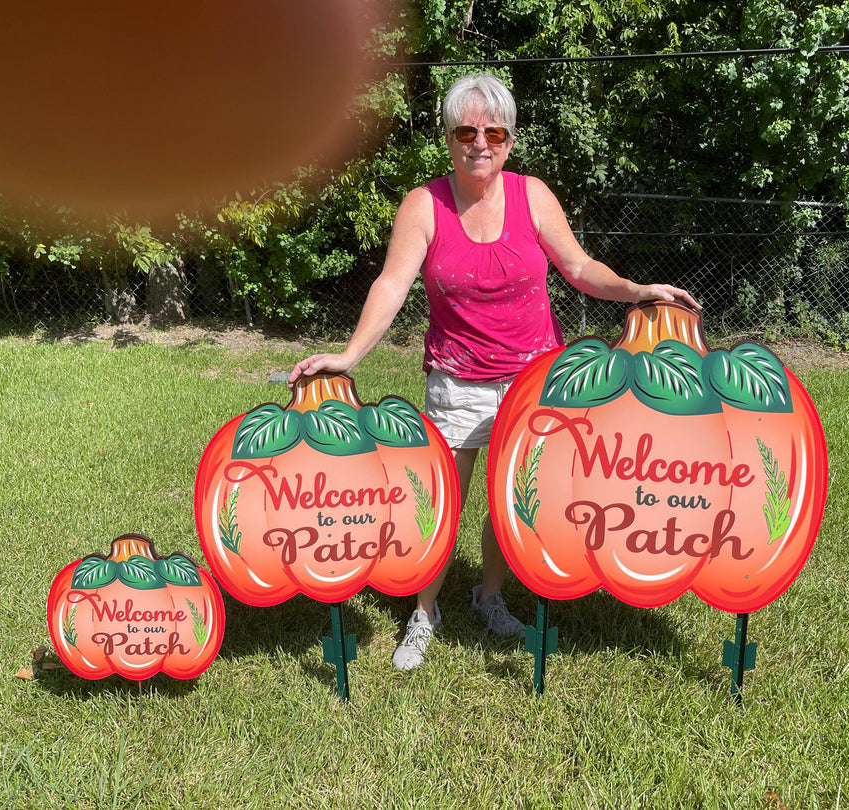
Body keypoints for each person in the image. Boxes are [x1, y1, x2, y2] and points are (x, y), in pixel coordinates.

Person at [289, 73, 699, 670]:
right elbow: (392, 284)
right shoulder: (423, 205)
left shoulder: (532, 196)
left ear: (509, 140)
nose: (480, 142)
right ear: (448, 138)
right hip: (456, 383)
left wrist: (635, 290)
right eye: (466, 130)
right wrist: (349, 355)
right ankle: (425, 612)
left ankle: (489, 596)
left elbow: (580, 267)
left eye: (494, 131)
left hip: (534, 384)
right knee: (442, 503)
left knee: (514, 500)